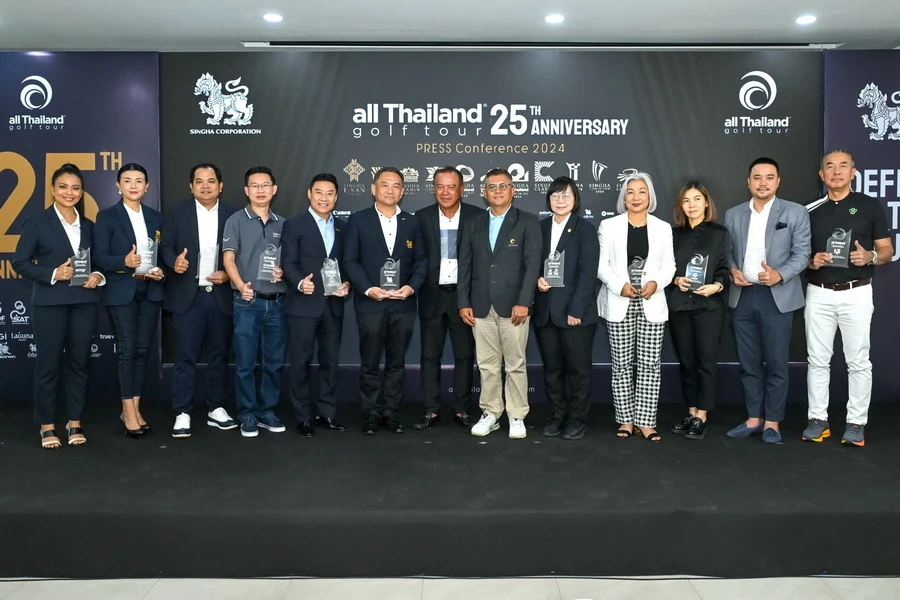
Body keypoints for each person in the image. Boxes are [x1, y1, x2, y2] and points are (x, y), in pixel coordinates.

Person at [802, 149, 893, 447]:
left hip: (857, 292)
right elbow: (798, 255)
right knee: (817, 360)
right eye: (830, 166)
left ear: (853, 173)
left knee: (858, 361)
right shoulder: (809, 209)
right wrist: (811, 261)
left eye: (843, 166)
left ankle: (856, 423)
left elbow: (887, 251)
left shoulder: (869, 205)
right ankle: (818, 420)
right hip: (819, 293)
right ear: (822, 174)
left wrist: (870, 256)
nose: (836, 171)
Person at [12, 163, 105, 448]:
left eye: (75, 188)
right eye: (63, 187)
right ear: (52, 190)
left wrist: (97, 275)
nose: (69, 192)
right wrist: (54, 273)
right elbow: (20, 262)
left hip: (84, 303)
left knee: (79, 363)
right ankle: (47, 425)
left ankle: (74, 421)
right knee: (48, 365)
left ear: (82, 192)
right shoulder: (37, 221)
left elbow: (99, 261)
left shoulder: (89, 226)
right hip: (50, 304)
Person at [724, 157, 811, 444]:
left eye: (769, 177)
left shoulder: (796, 212)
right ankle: (753, 418)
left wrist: (780, 274)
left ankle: (772, 422)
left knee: (776, 363)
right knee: (748, 363)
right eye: (757, 177)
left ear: (778, 181)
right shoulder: (733, 214)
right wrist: (733, 270)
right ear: (748, 182)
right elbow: (728, 253)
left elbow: (803, 254)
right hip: (743, 296)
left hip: (777, 297)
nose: (763, 183)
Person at [457, 168, 542, 439]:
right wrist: (463, 301)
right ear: (484, 192)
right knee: (486, 364)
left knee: (515, 363)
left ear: (512, 190)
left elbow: (532, 264)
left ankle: (516, 415)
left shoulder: (528, 221)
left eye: (503, 186)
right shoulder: (473, 222)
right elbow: (465, 265)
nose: (497, 191)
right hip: (480, 305)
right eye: (491, 187)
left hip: (514, 306)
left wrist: (524, 301)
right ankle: (491, 413)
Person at [342, 167, 426, 434]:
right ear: (373, 189)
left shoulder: (413, 222)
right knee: (369, 362)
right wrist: (368, 289)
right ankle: (370, 413)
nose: (390, 190)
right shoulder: (358, 220)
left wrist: (411, 287)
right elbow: (350, 260)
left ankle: (390, 412)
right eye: (385, 185)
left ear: (403, 191)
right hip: (370, 304)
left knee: (396, 362)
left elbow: (422, 261)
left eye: (396, 186)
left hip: (403, 304)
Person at [160, 163, 238, 439]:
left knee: (219, 355)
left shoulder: (233, 215)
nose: (206, 186)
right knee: (185, 356)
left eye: (211, 181)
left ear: (220, 186)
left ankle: (217, 407)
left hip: (220, 295)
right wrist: (174, 262)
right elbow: (165, 246)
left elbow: (241, 253)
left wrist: (228, 274)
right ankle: (182, 411)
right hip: (187, 296)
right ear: (191, 186)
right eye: (199, 181)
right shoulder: (176, 213)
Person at [597, 172, 675, 442]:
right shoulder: (609, 226)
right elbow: (601, 265)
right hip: (620, 299)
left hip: (652, 300)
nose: (636, 197)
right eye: (630, 192)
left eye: (642, 191)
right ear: (624, 197)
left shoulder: (663, 228)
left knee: (650, 364)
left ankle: (646, 421)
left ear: (650, 196)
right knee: (621, 364)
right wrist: (620, 286)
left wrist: (656, 282)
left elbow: (670, 266)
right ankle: (626, 420)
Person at [93, 163, 165, 439]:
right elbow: (99, 257)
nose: (133, 185)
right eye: (127, 180)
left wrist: (161, 270)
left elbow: (162, 254)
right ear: (118, 185)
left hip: (150, 289)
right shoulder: (107, 216)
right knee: (127, 350)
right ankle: (129, 411)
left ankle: (133, 408)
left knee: (142, 350)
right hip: (122, 289)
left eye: (139, 181)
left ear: (147, 186)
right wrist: (123, 261)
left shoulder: (156, 217)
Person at [281, 173, 351, 437]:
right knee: (300, 362)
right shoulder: (294, 224)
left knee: (330, 361)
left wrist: (347, 284)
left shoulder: (343, 227)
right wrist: (300, 283)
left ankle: (326, 413)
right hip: (303, 304)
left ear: (336, 196)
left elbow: (347, 264)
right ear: (309, 194)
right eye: (319, 192)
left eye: (329, 193)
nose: (324, 198)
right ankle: (303, 416)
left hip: (333, 304)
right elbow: (288, 263)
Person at [222, 166, 288, 438]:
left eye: (265, 185)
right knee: (246, 363)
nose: (260, 190)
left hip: (277, 303)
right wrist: (241, 286)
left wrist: (284, 271)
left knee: (273, 363)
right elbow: (228, 259)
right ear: (246, 190)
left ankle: (268, 412)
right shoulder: (235, 220)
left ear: (274, 189)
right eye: (255, 185)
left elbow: (290, 262)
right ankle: (247, 414)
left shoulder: (284, 224)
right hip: (247, 302)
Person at [413, 166, 481, 430]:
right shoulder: (421, 217)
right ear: (433, 189)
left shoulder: (477, 216)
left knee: (465, 355)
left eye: (451, 187)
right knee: (430, 356)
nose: (445, 192)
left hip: (464, 298)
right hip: (432, 295)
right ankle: (431, 409)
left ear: (462, 189)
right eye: (440, 186)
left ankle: (462, 409)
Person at [533, 176, 599, 440]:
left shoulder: (585, 229)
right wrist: (537, 279)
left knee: (578, 371)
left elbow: (587, 274)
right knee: (552, 370)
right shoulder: (539, 228)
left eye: (566, 195)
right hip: (546, 312)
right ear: (548, 199)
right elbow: (530, 263)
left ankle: (577, 420)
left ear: (576, 199)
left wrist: (576, 310)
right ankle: (558, 415)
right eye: (555, 195)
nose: (560, 201)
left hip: (575, 315)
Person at [667, 182, 731, 440]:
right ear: (680, 206)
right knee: (687, 363)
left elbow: (724, 267)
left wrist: (717, 285)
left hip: (708, 307)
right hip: (680, 305)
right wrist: (674, 279)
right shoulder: (672, 235)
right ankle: (691, 411)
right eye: (686, 200)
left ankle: (702, 415)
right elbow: (663, 267)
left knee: (705, 362)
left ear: (706, 203)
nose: (691, 205)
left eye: (696, 199)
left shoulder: (719, 233)